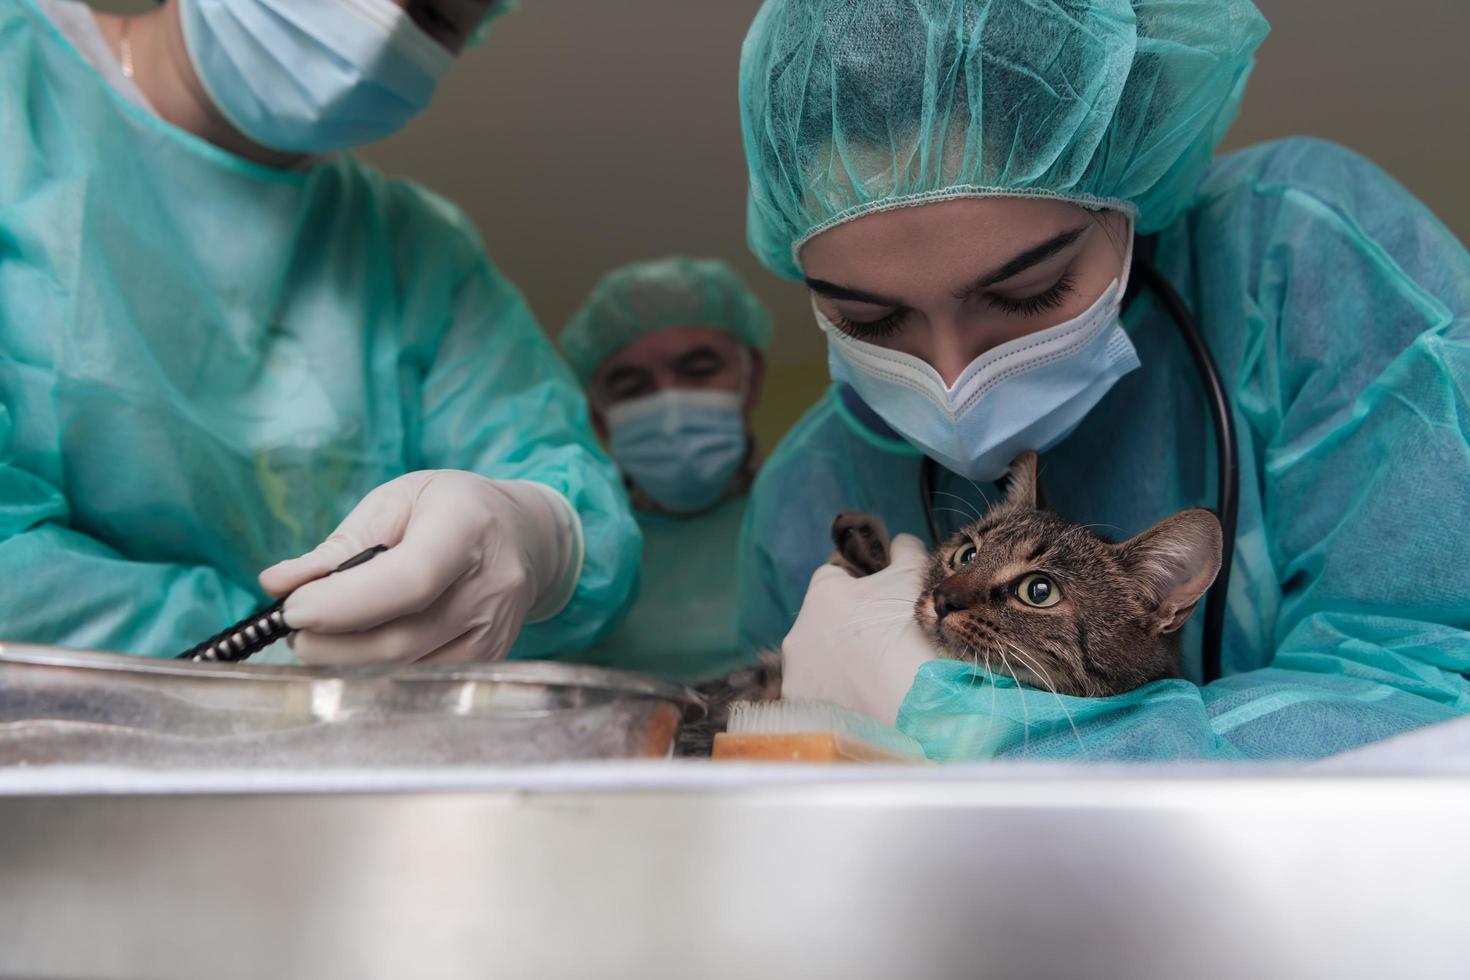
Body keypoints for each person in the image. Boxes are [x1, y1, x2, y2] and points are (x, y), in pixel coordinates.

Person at [735, 0, 1470, 760]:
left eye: (1031, 291)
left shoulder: (1297, 265)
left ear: (1130, 194)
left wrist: (1001, 742)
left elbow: (1435, 685)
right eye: (870, 320)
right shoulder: (808, 490)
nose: (954, 381)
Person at [0, 0, 639, 664]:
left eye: (434, 12)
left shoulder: (419, 257)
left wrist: (539, 535)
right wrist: (288, 661)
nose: (382, 23)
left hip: (349, 756)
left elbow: (584, 524)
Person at [559, 257, 771, 683]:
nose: (670, 403)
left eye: (698, 369)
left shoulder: (816, 506)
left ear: (751, 379)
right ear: (599, 417)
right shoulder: (570, 547)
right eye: (631, 386)